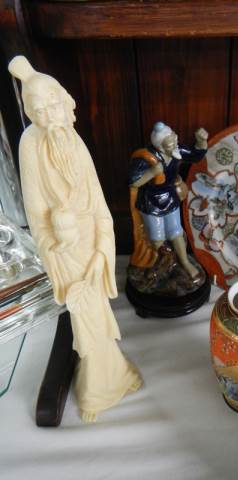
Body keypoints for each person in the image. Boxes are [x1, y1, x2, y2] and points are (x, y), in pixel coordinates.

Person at [8, 56, 142, 423]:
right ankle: (97, 387)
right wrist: (54, 244)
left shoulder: (73, 138)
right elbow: (35, 209)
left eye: (54, 104)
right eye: (39, 109)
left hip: (90, 238)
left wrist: (102, 248)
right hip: (63, 248)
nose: (49, 114)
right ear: (29, 112)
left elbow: (97, 199)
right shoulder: (29, 144)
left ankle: (117, 374)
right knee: (84, 316)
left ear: (65, 101)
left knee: (99, 309)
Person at [129, 122, 208, 280]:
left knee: (176, 232)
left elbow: (196, 155)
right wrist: (152, 172)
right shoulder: (146, 159)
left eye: (174, 138)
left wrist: (201, 141)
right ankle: (165, 263)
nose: (175, 142)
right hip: (150, 202)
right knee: (157, 236)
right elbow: (133, 182)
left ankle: (185, 262)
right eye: (170, 141)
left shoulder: (176, 150)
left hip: (169, 197)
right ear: (160, 146)